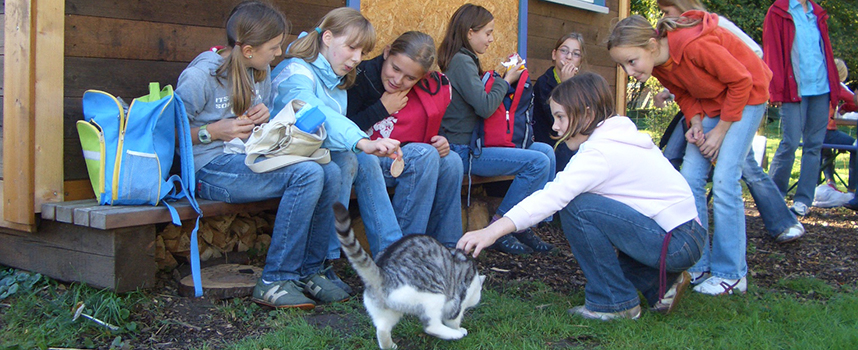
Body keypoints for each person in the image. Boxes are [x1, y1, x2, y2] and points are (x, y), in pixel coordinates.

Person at [458, 73, 705, 320]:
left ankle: (614, 303)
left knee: (577, 206)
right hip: (683, 235)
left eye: (561, 117)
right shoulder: (616, 136)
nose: (555, 126)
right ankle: (660, 283)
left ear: (586, 114)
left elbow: (552, 197)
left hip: (675, 242)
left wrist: (491, 231)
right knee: (599, 240)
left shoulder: (600, 153)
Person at [176, 1, 347, 309]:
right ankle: (275, 279)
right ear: (248, 50)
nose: (279, 54)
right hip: (209, 169)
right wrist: (213, 131)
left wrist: (264, 115)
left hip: (247, 157)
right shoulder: (201, 76)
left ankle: (311, 269)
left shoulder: (261, 70)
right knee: (306, 173)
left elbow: (260, 127)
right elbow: (167, 135)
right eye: (274, 47)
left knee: (331, 170)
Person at [608, 13, 772, 295]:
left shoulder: (694, 46)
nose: (628, 70)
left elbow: (742, 81)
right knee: (689, 178)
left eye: (631, 61)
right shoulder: (658, 64)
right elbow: (684, 94)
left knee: (724, 179)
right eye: (622, 65)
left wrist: (719, 132)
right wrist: (695, 123)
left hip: (747, 96)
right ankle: (698, 264)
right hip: (714, 102)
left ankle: (731, 273)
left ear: (651, 44)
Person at [270, 7, 402, 293]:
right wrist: (362, 140)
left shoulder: (335, 80)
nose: (356, 59)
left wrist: (363, 146)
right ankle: (318, 264)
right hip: (277, 158)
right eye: (351, 47)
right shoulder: (297, 71)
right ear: (327, 37)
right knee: (346, 159)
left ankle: (392, 258)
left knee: (359, 159)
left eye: (363, 53)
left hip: (307, 155)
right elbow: (313, 113)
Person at [654, 0, 805, 244]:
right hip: (710, 106)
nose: (663, 16)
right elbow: (690, 79)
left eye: (666, 10)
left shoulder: (709, 26)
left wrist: (727, 122)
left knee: (739, 170)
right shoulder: (671, 42)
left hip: (740, 102)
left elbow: (750, 56)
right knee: (730, 167)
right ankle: (781, 222)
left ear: (682, 5)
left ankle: (783, 223)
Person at [438, 3, 555, 255]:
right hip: (464, 151)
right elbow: (485, 106)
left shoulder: (466, 60)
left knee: (546, 151)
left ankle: (523, 225)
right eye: (488, 33)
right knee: (537, 163)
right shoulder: (460, 62)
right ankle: (500, 227)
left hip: (479, 142)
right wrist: (505, 80)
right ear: (470, 32)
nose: (491, 39)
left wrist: (501, 77)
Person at [346, 31, 463, 248]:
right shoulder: (361, 77)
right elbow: (343, 129)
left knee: (452, 161)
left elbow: (420, 124)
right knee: (424, 156)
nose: (398, 80)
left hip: (398, 154)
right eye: (395, 68)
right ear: (387, 52)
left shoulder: (423, 86)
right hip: (362, 159)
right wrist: (381, 109)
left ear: (422, 77)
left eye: (410, 78)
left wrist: (441, 140)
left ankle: (447, 249)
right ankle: (405, 253)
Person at [763, 0, 840, 216]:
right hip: (793, 89)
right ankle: (773, 199)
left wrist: (836, 88)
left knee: (814, 145)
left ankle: (803, 200)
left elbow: (825, 52)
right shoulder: (778, 11)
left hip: (821, 88)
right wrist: (775, 89)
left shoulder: (817, 12)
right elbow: (772, 52)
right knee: (790, 142)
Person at [533, 32, 584, 174]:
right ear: (554, 55)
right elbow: (563, 123)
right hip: (552, 146)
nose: (569, 57)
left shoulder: (581, 85)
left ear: (580, 61)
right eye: (564, 51)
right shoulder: (544, 83)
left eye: (575, 54)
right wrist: (565, 85)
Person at [819, 58, 857, 193]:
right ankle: (852, 188)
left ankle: (830, 182)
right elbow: (855, 101)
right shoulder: (836, 86)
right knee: (855, 146)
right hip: (827, 131)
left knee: (824, 151)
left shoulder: (818, 82)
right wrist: (845, 107)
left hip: (810, 132)